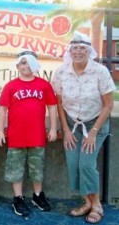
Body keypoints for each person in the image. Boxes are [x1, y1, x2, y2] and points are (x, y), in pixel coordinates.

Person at [52, 32, 116, 224]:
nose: (78, 51)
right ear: (70, 50)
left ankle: (97, 205)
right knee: (73, 165)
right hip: (72, 124)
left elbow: (108, 105)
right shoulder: (61, 72)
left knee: (86, 165)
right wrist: (65, 130)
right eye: (75, 48)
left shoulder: (100, 72)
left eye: (82, 48)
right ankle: (87, 201)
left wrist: (94, 132)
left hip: (95, 123)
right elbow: (59, 103)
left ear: (89, 51)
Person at [0, 50, 58, 218]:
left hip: (37, 136)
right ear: (17, 66)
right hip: (16, 136)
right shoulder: (11, 86)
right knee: (16, 169)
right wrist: (0, 130)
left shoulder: (44, 85)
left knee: (37, 168)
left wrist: (53, 128)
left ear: (36, 65)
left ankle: (38, 196)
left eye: (30, 63)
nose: (26, 66)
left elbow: (52, 106)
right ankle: (18, 198)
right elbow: (2, 108)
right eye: (23, 63)